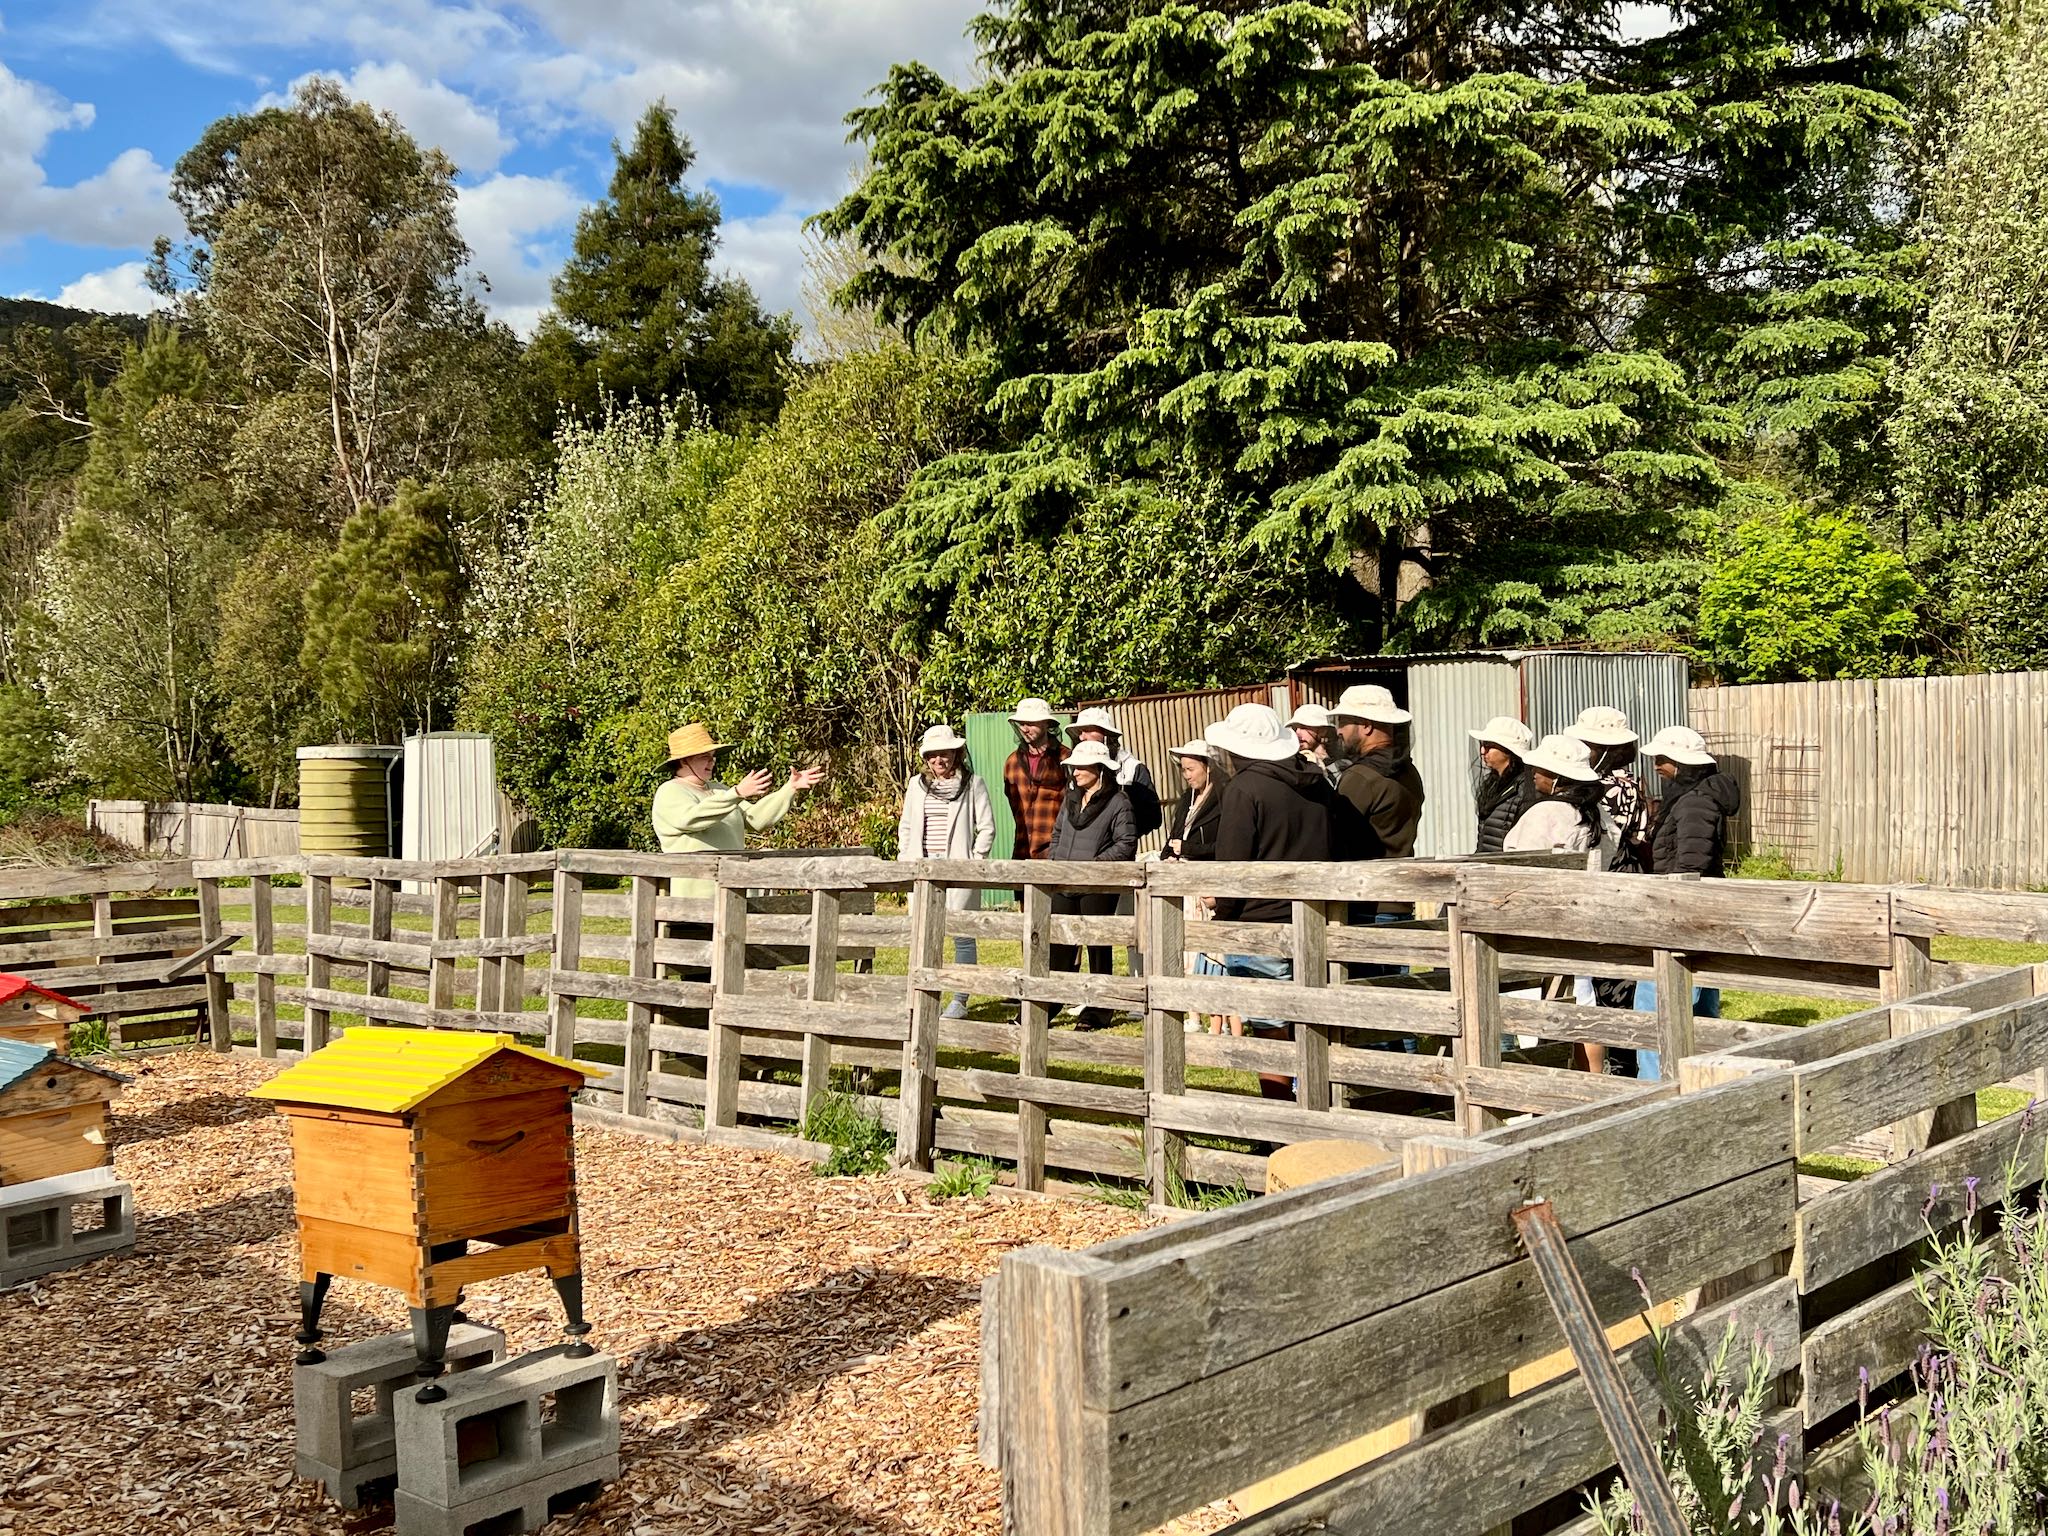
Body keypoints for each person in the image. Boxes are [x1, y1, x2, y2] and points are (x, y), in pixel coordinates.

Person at [1203, 703, 1334, 1096]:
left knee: (1270, 1026)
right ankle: (1316, 1106)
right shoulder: (1318, 785)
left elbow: (1232, 864)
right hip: (1315, 916)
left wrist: (1219, 906)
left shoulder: (1244, 789)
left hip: (1260, 920)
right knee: (1312, 1021)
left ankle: (1277, 1122)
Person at [1631, 725, 1743, 1078]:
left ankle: (1658, 1083)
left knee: (1660, 1005)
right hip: (1696, 911)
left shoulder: (1694, 801)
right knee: (1701, 1002)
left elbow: (1691, 865)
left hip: (1684, 913)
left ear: (1680, 762)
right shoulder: (1693, 795)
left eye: (1662, 759)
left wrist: (1671, 908)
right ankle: (1704, 1077)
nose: (1657, 766)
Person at [651, 722, 826, 899]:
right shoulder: (670, 791)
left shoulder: (719, 789)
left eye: (713, 756)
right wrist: (737, 793)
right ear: (684, 760)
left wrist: (790, 789)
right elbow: (691, 819)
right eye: (705, 757)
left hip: (734, 891)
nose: (712, 761)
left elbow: (756, 820)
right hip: (694, 901)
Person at [1328, 683, 1427, 992]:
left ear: (1367, 726)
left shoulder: (1360, 778)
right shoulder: (1408, 772)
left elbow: (1338, 842)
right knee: (1399, 996)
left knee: (1374, 1003)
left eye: (1343, 722)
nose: (1339, 731)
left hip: (1367, 904)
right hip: (1398, 899)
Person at [1569, 705, 1651, 1074]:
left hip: (1611, 872)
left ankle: (1616, 1054)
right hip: (1631, 870)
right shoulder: (1634, 782)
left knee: (1606, 970)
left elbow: (1607, 840)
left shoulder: (1605, 788)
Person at [896, 723, 996, 1020]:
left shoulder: (973, 783)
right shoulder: (916, 785)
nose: (940, 760)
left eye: (946, 754)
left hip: (958, 868)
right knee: (924, 935)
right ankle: (923, 996)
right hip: (923, 867)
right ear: (926, 758)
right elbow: (907, 826)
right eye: (934, 755)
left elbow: (987, 828)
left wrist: (973, 861)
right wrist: (906, 858)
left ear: (957, 753)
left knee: (961, 935)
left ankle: (960, 1000)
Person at [1046, 741, 1137, 1029]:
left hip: (1098, 887)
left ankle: (1097, 1012)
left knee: (1098, 949)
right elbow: (1058, 834)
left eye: (1082, 767)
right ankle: (1046, 1007)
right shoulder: (1070, 798)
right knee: (1057, 947)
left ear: (1099, 769)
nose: (1075, 772)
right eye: (1074, 767)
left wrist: (1093, 867)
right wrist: (1056, 864)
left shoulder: (1118, 801)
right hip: (1064, 883)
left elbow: (1126, 844)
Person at [1161, 738, 1230, 1034]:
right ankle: (1192, 1013)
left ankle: (1222, 1018)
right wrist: (1168, 855)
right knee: (1185, 947)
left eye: (1191, 769)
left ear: (1208, 768)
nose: (1187, 775)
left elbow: (1225, 845)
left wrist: (1190, 848)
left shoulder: (1225, 800)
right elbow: (1173, 837)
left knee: (1211, 949)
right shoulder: (1185, 802)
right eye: (1183, 770)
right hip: (1184, 883)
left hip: (1208, 881)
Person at [1569, 706, 1651, 876]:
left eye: (1587, 746)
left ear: (1608, 750)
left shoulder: (1616, 788)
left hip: (1613, 871)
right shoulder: (1600, 781)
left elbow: (1601, 839)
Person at [1066, 706, 1162, 837]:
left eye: (1088, 730)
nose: (1082, 737)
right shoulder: (1074, 769)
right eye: (1080, 732)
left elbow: (1152, 817)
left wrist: (1122, 834)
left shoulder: (1132, 768)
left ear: (1106, 734)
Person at [1502, 734, 1604, 853]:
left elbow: (1523, 860)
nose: (1533, 772)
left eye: (1539, 767)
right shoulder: (1597, 810)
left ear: (1556, 774)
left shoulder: (1545, 812)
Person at [1002, 698, 1068, 861]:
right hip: (1021, 851)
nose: (1025, 729)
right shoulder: (1012, 763)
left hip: (1055, 852)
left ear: (1046, 723)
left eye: (1031, 723)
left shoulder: (1066, 759)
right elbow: (1014, 806)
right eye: (1022, 723)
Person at [1469, 716, 1534, 855]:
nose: (1482, 751)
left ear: (1508, 750)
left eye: (1488, 746)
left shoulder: (1526, 788)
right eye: (1482, 745)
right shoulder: (1493, 784)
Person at [1285, 703, 1347, 783]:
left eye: (1304, 727)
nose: (1297, 733)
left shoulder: (1343, 766)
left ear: (1323, 731)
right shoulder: (1293, 765)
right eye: (1295, 728)